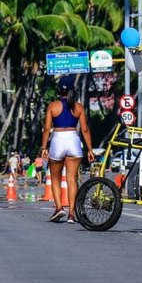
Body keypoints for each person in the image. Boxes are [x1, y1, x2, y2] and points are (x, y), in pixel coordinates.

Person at [40, 75, 95, 224]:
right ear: (72, 89)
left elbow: (46, 129)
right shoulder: (78, 107)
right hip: (73, 140)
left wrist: (44, 147)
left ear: (59, 90)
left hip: (57, 139)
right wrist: (90, 150)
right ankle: (72, 214)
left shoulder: (53, 106)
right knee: (72, 179)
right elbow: (84, 129)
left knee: (55, 178)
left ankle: (59, 208)